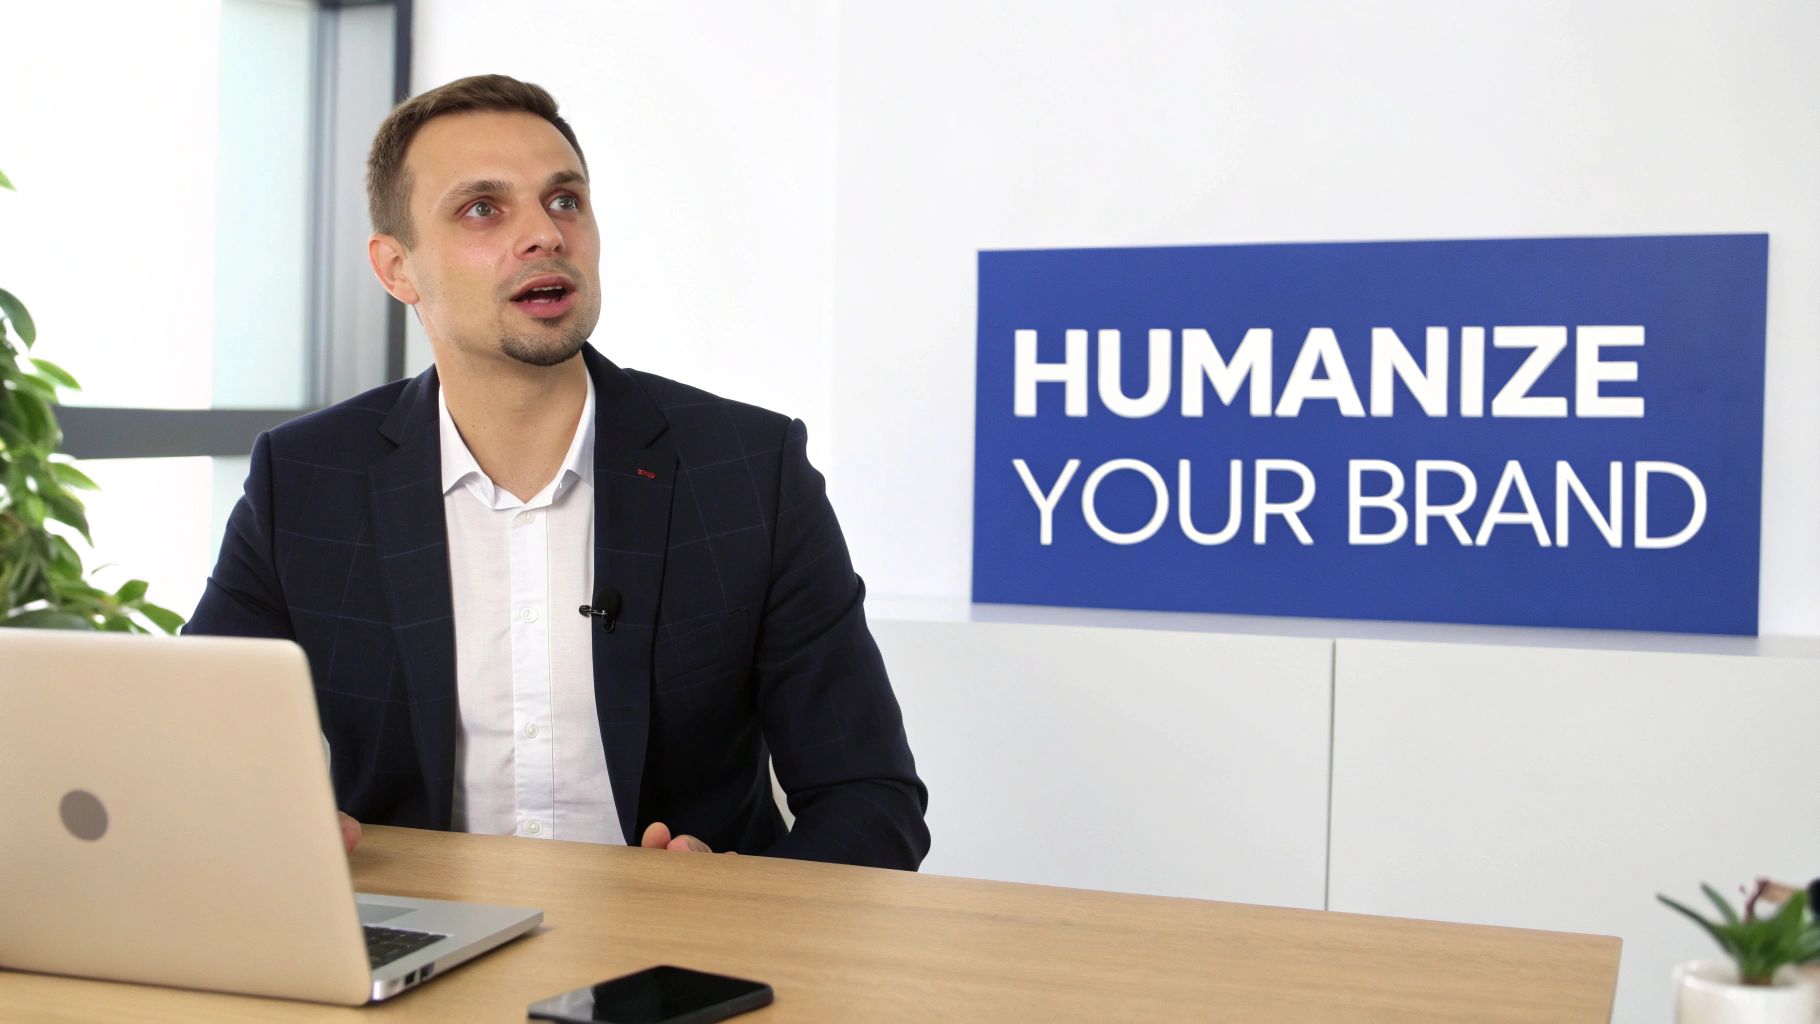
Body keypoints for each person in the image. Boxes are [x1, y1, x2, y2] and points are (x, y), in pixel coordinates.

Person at [185, 74, 930, 871]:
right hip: (412, 936)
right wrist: (268, 824)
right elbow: (187, 753)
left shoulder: (748, 469)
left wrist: (736, 900)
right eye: (483, 209)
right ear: (397, 268)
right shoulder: (305, 480)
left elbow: (872, 800)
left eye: (564, 200)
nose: (544, 234)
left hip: (676, 946)